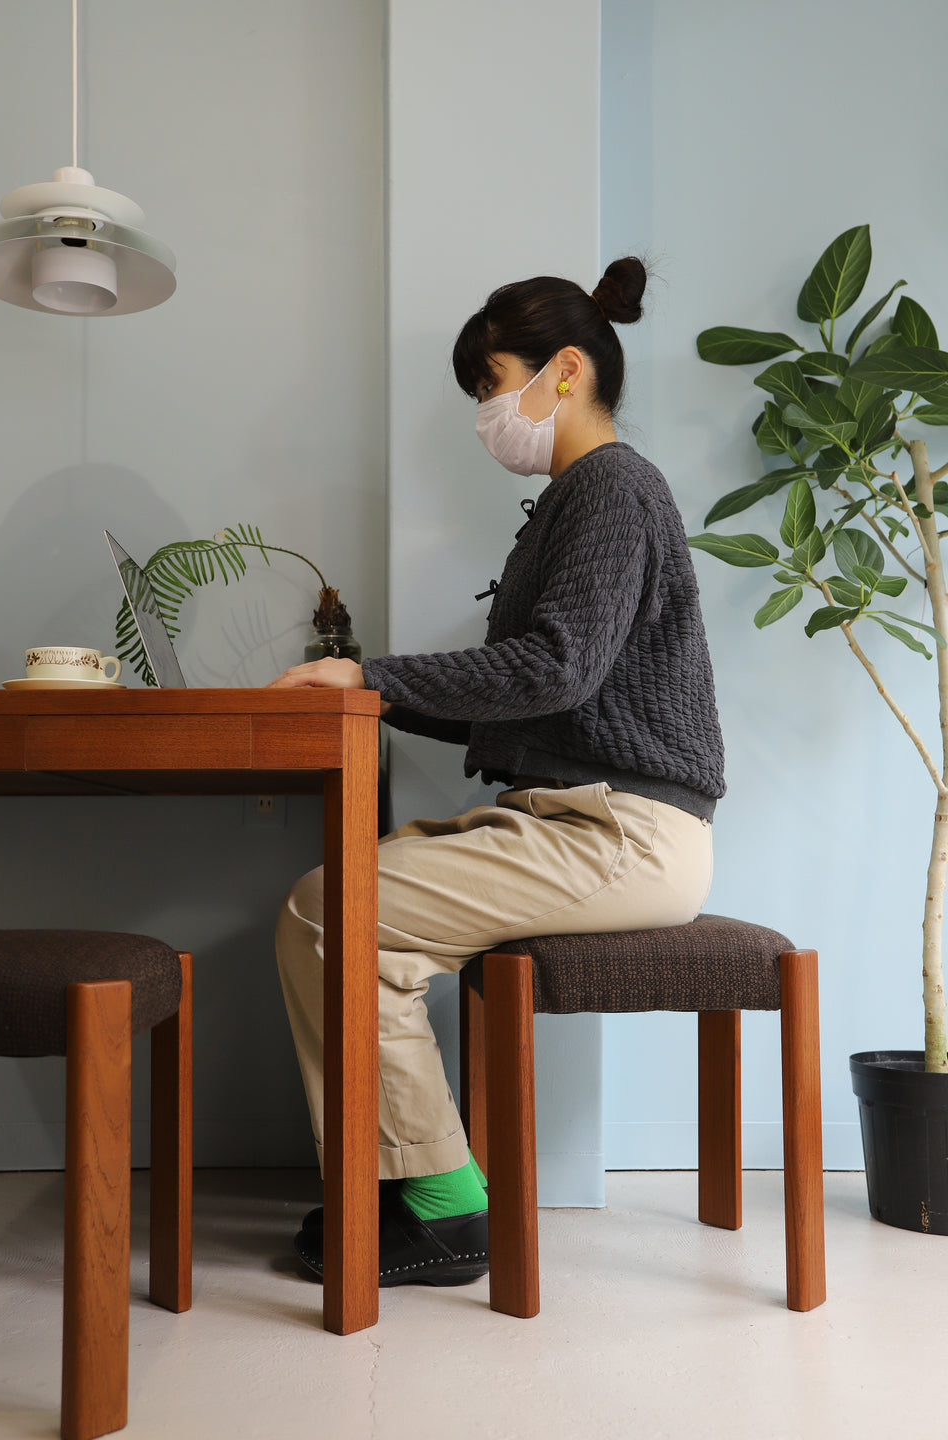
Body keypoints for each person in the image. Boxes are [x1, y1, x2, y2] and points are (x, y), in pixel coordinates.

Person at [269, 256, 725, 1287]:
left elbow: (556, 667)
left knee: (324, 913)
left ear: (566, 371)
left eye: (493, 382)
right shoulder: (578, 499)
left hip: (623, 831)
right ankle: (414, 1187)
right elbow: (541, 691)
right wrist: (366, 691)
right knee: (330, 909)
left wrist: (370, 673)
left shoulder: (613, 485)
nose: (487, 411)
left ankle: (440, 1204)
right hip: (585, 822)